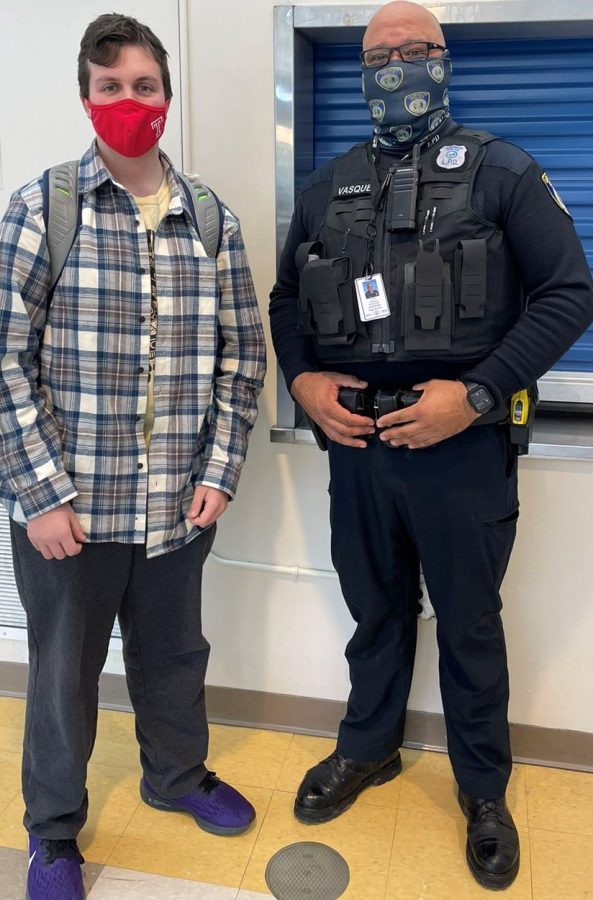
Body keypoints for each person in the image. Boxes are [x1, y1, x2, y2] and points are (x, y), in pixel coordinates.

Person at [269, 0, 593, 890]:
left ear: (444, 63)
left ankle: (483, 791)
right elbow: (285, 302)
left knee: (468, 625)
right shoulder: (325, 183)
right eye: (379, 55)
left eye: (416, 51)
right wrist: (300, 382)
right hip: (359, 446)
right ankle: (367, 750)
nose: (396, 68)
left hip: (460, 450)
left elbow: (570, 295)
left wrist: (479, 392)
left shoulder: (503, 173)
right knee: (374, 616)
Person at [0, 13, 266, 900]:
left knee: (173, 657)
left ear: (166, 96)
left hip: (176, 508)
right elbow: (4, 357)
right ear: (87, 98)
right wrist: (38, 494)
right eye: (110, 87)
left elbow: (243, 356)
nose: (129, 102)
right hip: (70, 514)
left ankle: (176, 777)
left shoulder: (210, 219)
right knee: (63, 678)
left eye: (143, 86)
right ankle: (53, 835)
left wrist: (220, 472)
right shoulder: (45, 208)